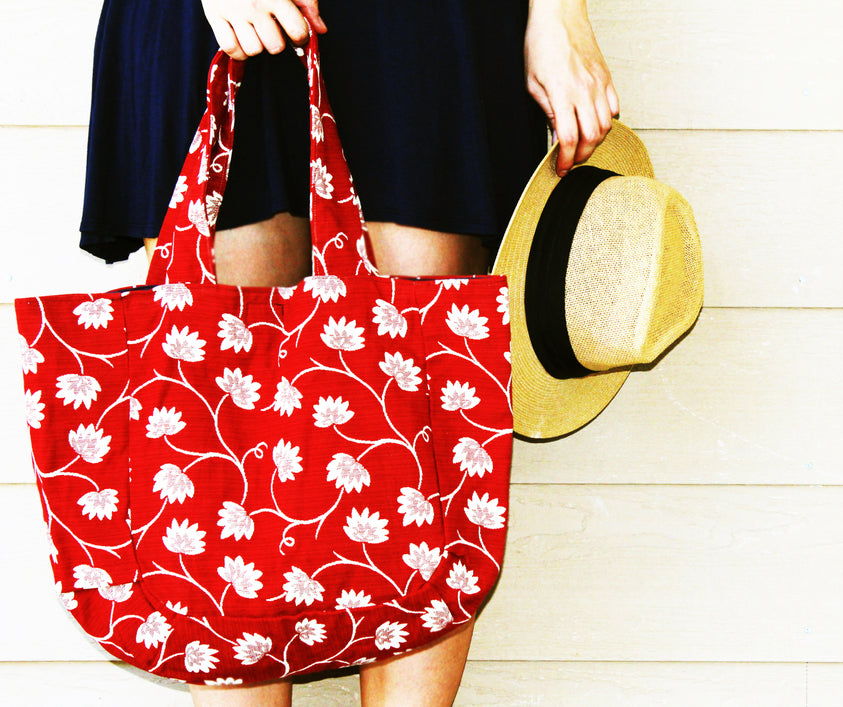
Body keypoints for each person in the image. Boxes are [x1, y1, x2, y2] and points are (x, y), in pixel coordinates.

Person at [79, 1, 617, 704]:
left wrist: (557, 7)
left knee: (421, 428)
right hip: (209, 17)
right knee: (219, 419)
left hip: (422, 24)